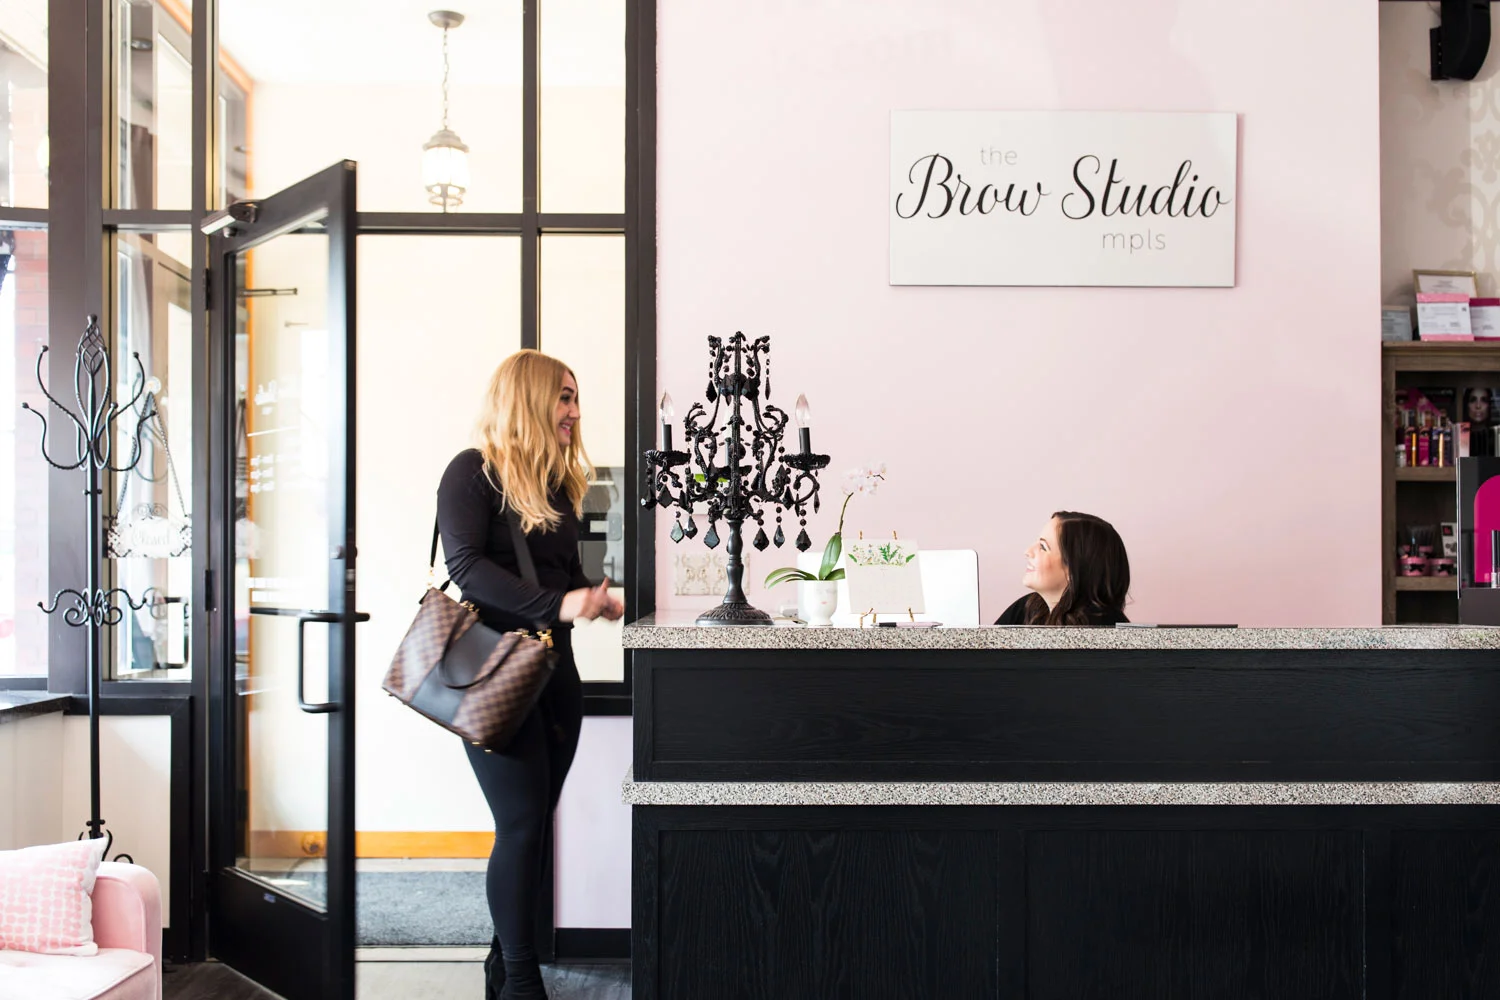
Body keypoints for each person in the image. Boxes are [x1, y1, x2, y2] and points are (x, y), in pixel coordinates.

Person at [437, 350, 624, 1000]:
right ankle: (521, 980)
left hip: (556, 675)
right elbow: (467, 568)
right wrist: (559, 604)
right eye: (563, 396)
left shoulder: (560, 487)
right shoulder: (472, 473)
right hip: (494, 672)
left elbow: (563, 576)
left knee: (536, 825)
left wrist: (595, 597)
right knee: (519, 826)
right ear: (529, 399)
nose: (574, 410)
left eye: (575, 397)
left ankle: (502, 965)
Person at [995, 511, 1130, 626]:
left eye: (1043, 547)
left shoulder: (1105, 629)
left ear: (1073, 571)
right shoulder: (1027, 608)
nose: (1028, 552)